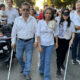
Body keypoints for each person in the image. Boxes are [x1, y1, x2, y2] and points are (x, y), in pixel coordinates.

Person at [11, 2, 37, 80]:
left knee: (29, 58)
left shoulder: (33, 19)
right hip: (20, 41)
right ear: (21, 10)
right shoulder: (17, 20)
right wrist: (13, 42)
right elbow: (13, 31)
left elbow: (37, 31)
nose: (25, 11)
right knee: (18, 56)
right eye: (24, 9)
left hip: (29, 41)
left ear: (29, 10)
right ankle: (23, 66)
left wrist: (36, 41)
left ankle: (26, 72)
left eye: (27, 9)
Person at [37, 7, 58, 80]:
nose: (48, 15)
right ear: (44, 14)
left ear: (52, 14)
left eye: (50, 13)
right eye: (46, 13)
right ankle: (41, 69)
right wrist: (39, 45)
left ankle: (46, 77)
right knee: (42, 59)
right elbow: (38, 34)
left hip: (50, 44)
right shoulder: (40, 22)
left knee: (47, 61)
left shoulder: (53, 22)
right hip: (42, 44)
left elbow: (56, 33)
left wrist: (56, 43)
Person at [56, 9, 75, 76]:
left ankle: (61, 64)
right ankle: (58, 69)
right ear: (62, 14)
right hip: (59, 40)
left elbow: (73, 33)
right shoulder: (58, 21)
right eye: (64, 14)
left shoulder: (72, 23)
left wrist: (72, 39)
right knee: (59, 55)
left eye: (67, 15)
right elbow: (53, 23)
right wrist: (56, 42)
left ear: (68, 15)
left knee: (64, 54)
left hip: (67, 41)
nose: (65, 16)